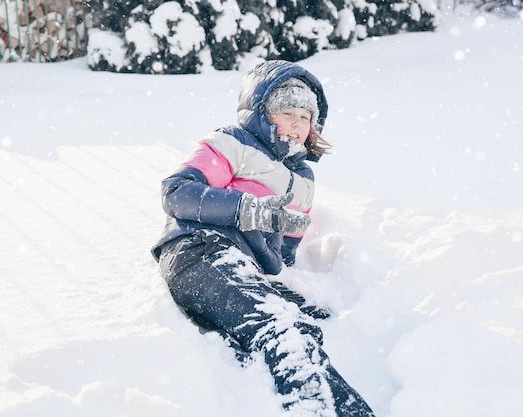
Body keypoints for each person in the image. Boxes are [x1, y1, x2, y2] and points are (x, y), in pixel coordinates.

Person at [151, 60, 374, 417]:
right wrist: (248, 210)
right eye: (287, 112)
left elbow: (280, 257)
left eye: (306, 116)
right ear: (262, 113)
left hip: (239, 269)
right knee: (281, 332)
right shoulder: (232, 142)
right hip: (199, 249)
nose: (298, 123)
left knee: (294, 329)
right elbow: (176, 192)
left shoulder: (303, 182)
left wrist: (285, 290)